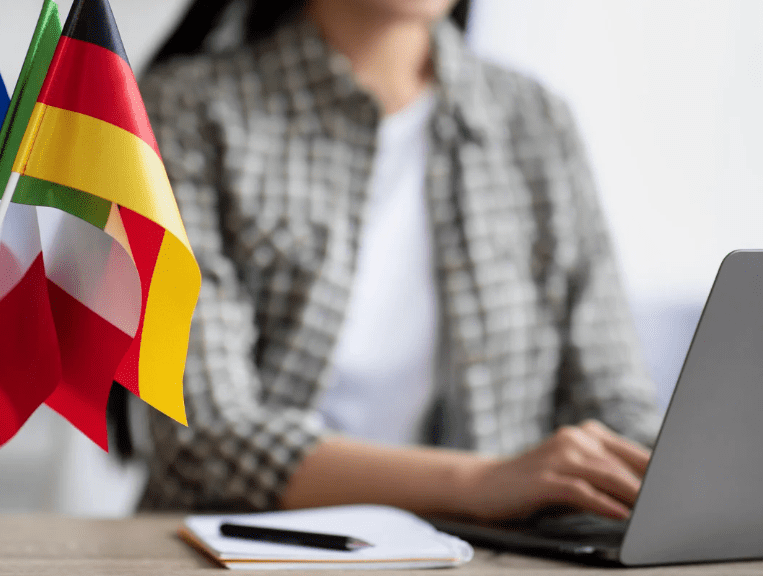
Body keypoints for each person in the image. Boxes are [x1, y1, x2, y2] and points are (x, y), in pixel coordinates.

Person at [134, 0, 662, 520]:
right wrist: (486, 482)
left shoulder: (537, 120)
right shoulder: (187, 110)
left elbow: (614, 402)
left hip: (492, 555)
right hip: (241, 546)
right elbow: (201, 432)